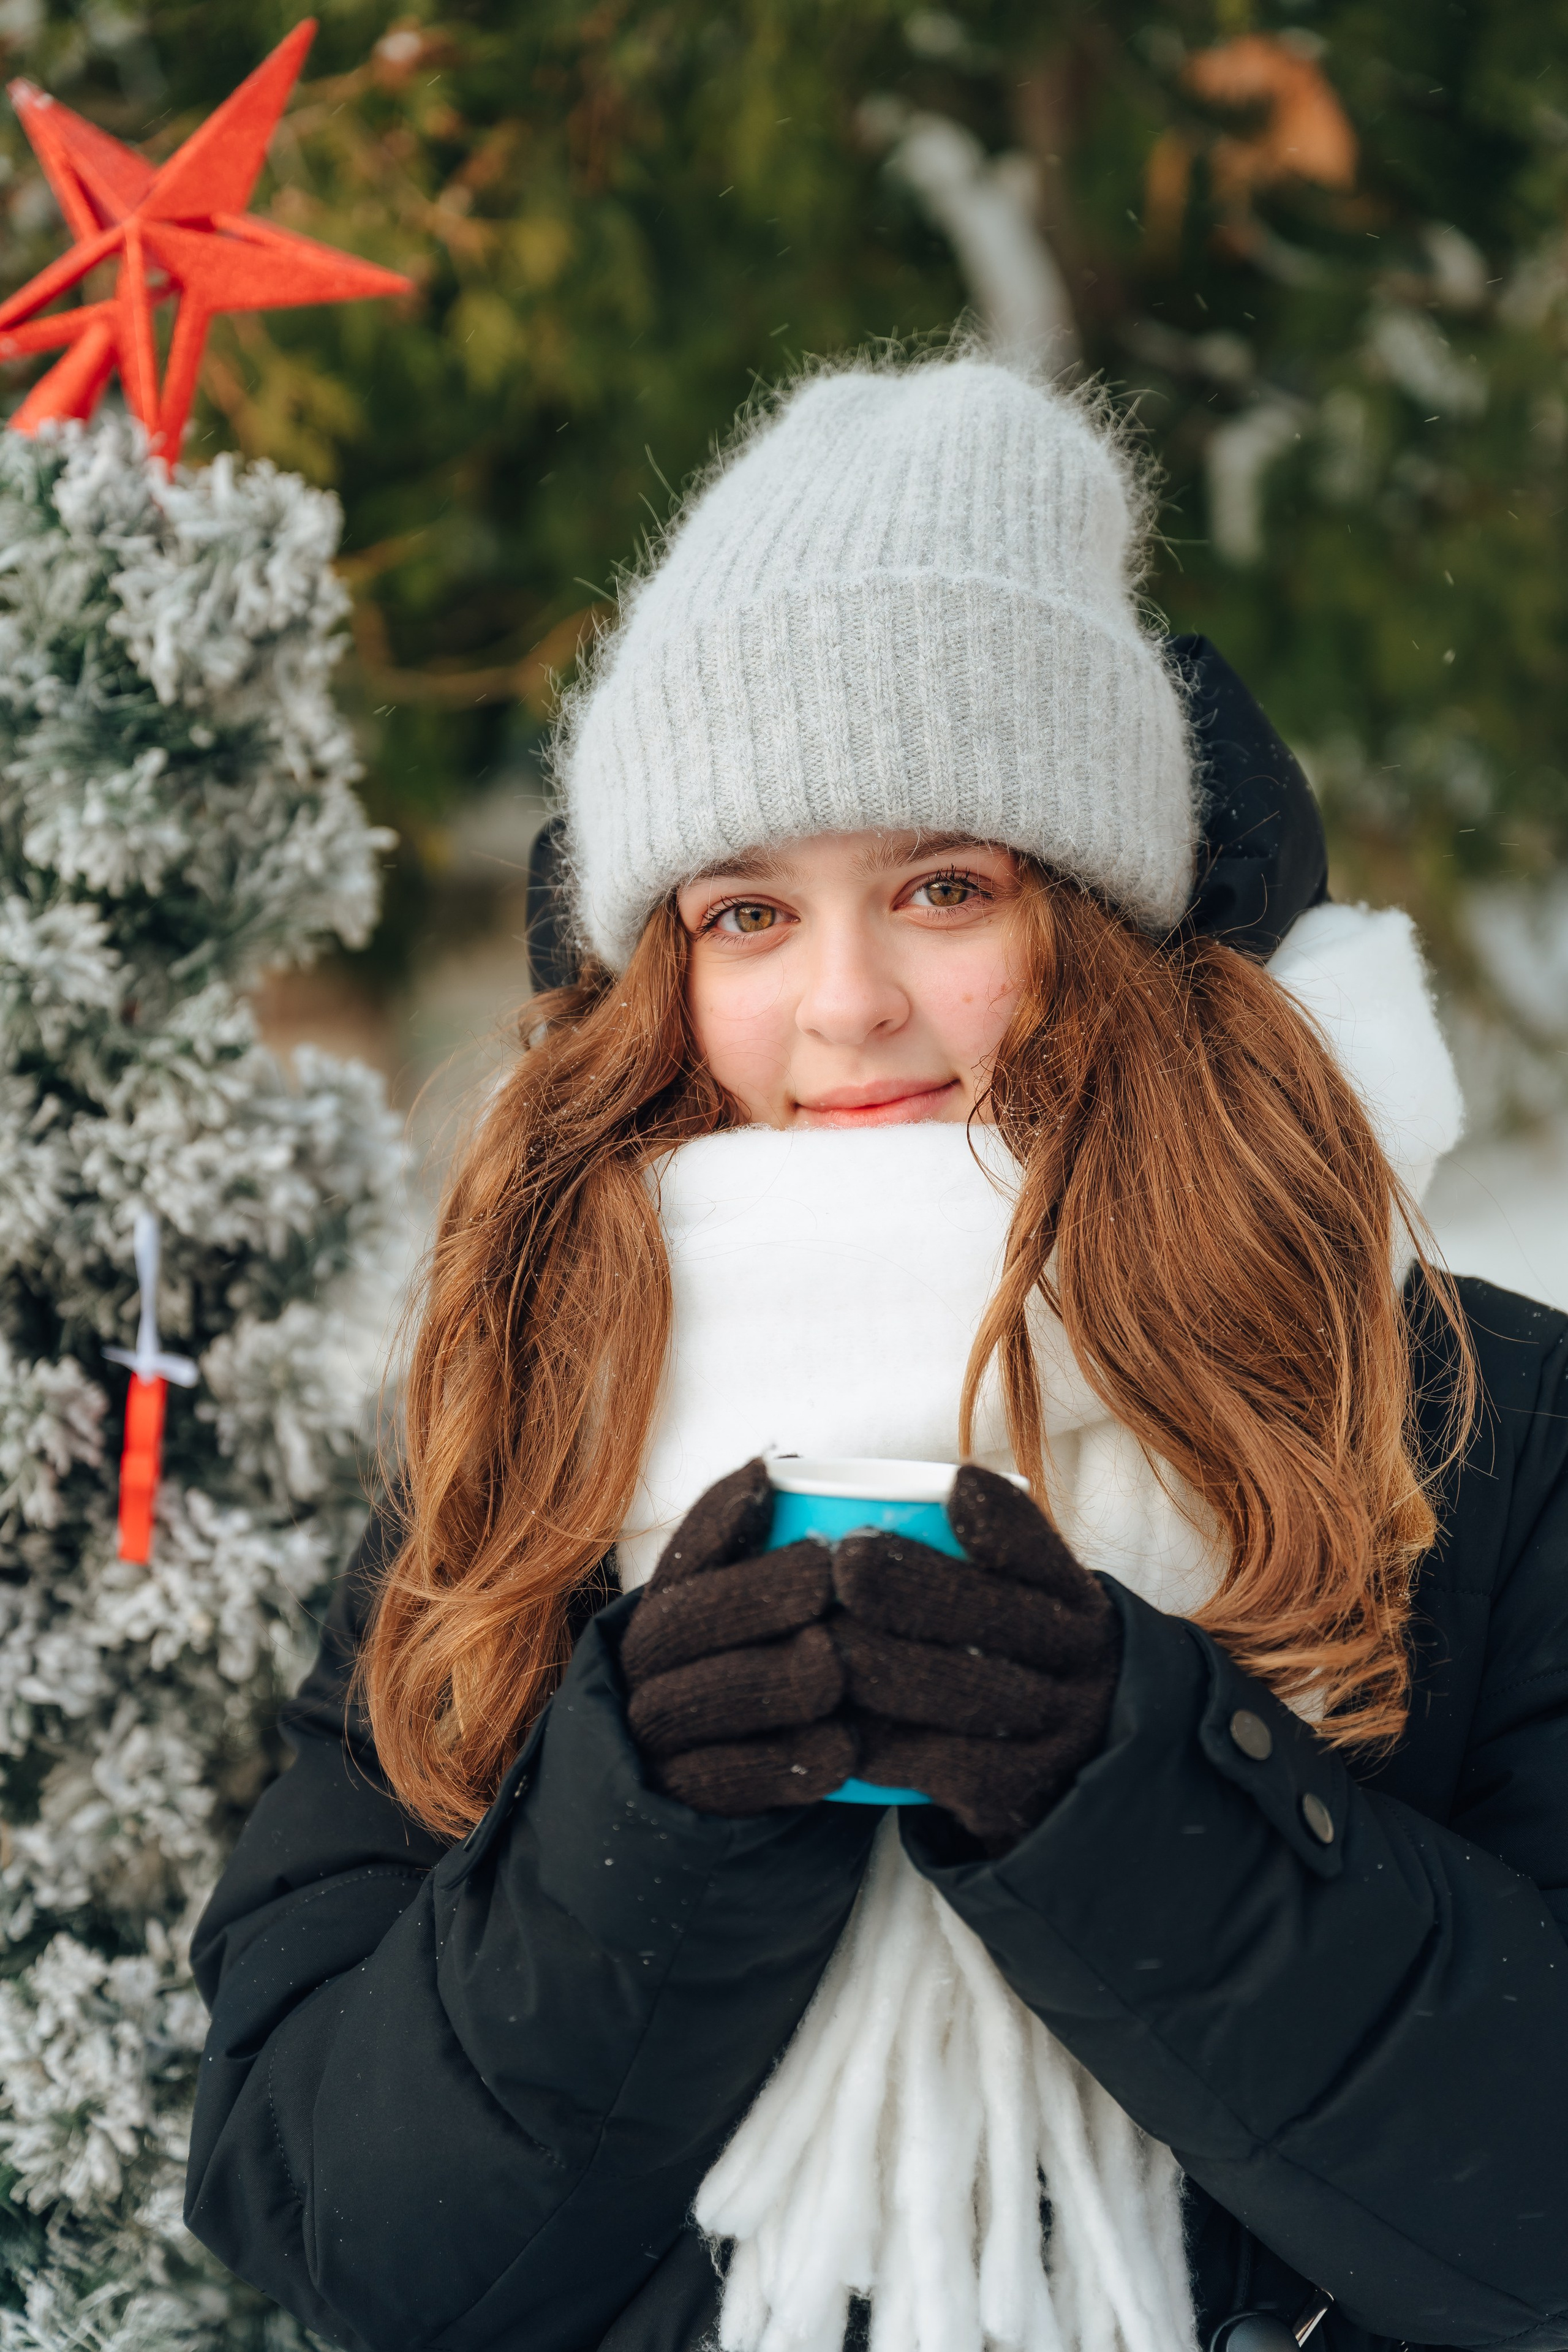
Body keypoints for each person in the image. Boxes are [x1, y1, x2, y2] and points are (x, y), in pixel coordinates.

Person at [184, 356, 1568, 2352]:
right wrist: (639, 1831)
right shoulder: (529, 1427)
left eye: (942, 889)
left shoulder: (1463, 1417)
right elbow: (333, 2226)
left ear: (1101, 920)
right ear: (658, 972)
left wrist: (1140, 1808)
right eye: (748, 914)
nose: (846, 1005)